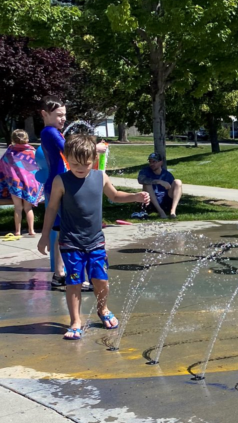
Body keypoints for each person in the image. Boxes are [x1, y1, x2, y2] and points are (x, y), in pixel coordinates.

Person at [37, 132, 149, 340]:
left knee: (101, 280)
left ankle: (103, 309)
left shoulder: (100, 177)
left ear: (94, 160)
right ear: (66, 159)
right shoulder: (61, 181)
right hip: (71, 241)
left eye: (85, 164)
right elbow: (51, 209)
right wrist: (45, 236)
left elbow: (114, 196)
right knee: (74, 282)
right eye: (74, 163)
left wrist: (135, 196)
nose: (79, 168)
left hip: (95, 241)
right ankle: (75, 321)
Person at [39, 99, 68, 288]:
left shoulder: (52, 132)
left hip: (56, 184)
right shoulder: (50, 132)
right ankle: (74, 274)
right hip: (58, 186)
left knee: (60, 231)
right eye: (59, 115)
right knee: (70, 230)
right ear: (45, 114)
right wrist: (94, 148)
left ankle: (59, 274)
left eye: (64, 115)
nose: (63, 118)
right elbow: (69, 150)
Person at [0, 130, 42, 236]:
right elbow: (38, 166)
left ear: (13, 139)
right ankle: (31, 230)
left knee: (18, 208)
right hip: (30, 185)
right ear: (27, 139)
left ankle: (17, 231)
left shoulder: (10, 153)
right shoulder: (32, 151)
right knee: (28, 208)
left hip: (15, 184)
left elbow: (3, 164)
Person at [137, 153, 183, 218]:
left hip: (165, 200)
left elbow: (171, 188)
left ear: (161, 162)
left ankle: (173, 212)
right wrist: (159, 181)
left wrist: (169, 187)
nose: (151, 164)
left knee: (178, 182)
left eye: (154, 162)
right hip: (151, 202)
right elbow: (141, 180)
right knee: (147, 184)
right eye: (150, 162)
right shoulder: (145, 171)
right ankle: (161, 212)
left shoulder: (167, 174)